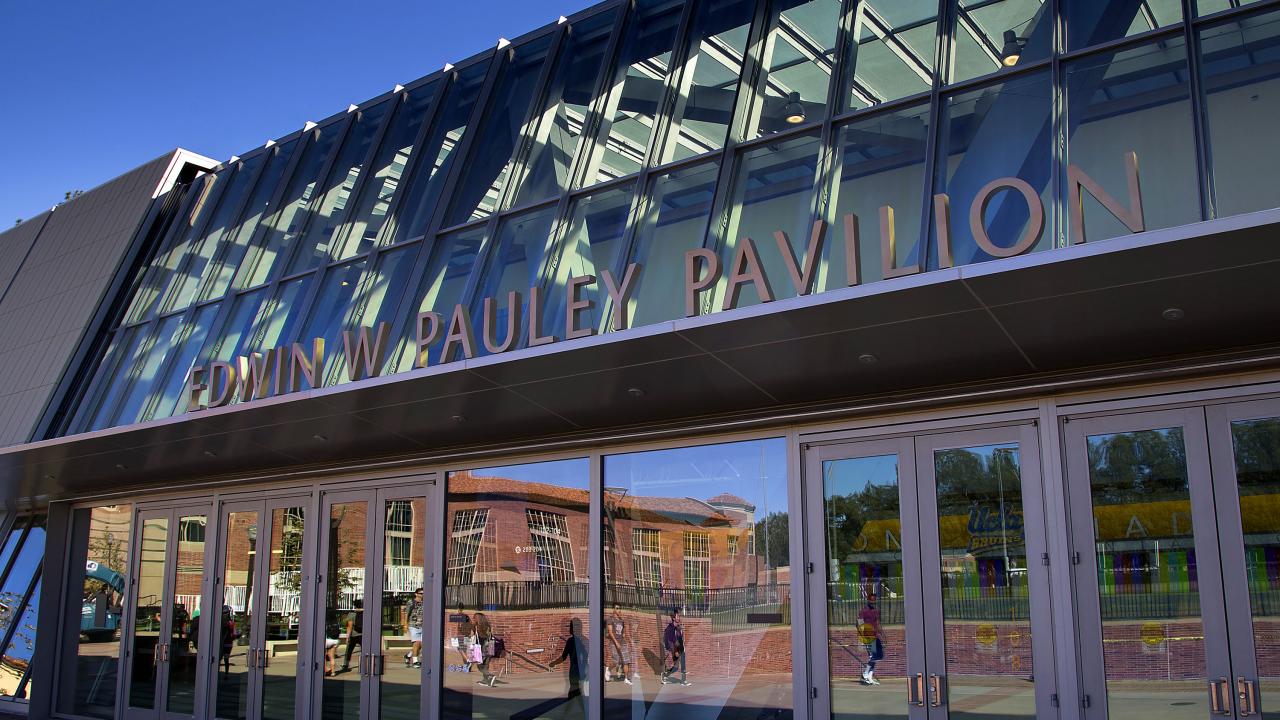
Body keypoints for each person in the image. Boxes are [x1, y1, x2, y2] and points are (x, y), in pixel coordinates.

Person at [548, 618, 587, 701]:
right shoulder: (585, 640)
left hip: (575, 671)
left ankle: (570, 709)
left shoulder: (571, 641)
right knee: (578, 692)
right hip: (583, 670)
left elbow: (563, 657)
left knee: (574, 692)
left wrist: (554, 663)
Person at [858, 589, 885, 685]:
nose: (873, 602)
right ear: (868, 600)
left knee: (878, 656)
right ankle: (865, 675)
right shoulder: (863, 611)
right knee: (872, 656)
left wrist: (882, 635)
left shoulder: (876, 611)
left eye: (875, 600)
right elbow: (860, 624)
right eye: (871, 600)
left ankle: (869, 677)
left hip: (876, 636)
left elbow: (877, 623)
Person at [661, 609, 690, 686]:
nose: (679, 617)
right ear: (674, 618)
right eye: (677, 616)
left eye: (679, 616)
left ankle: (683, 681)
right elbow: (671, 641)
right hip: (676, 650)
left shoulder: (678, 626)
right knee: (676, 667)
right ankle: (664, 675)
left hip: (681, 648)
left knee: (683, 665)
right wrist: (675, 651)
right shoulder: (670, 628)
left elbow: (680, 639)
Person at [606, 604, 633, 685]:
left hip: (623, 643)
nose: (619, 610)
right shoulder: (610, 620)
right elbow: (610, 633)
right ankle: (608, 669)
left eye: (619, 608)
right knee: (615, 661)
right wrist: (616, 643)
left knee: (626, 661)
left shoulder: (622, 620)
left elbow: (624, 633)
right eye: (617, 608)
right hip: (614, 643)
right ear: (613, 610)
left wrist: (626, 642)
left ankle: (626, 678)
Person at [402, 587, 424, 668]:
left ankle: (408, 655)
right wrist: (405, 625)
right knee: (417, 643)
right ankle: (415, 661)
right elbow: (406, 614)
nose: (422, 595)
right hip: (414, 625)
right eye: (421, 593)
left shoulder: (425, 602)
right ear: (416, 594)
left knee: (420, 645)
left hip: (423, 626)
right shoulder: (411, 602)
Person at [341, 599, 364, 673]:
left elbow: (349, 626)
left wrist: (347, 637)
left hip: (354, 635)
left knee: (349, 650)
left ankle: (345, 665)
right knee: (364, 651)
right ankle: (363, 664)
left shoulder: (352, 614)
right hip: (362, 635)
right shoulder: (365, 612)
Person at [474, 612, 494, 686]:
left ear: (478, 619)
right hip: (491, 646)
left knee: (479, 665)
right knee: (486, 665)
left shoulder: (479, 627)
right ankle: (485, 680)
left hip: (484, 647)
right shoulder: (487, 625)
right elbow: (489, 636)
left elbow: (481, 639)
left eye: (475, 618)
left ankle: (489, 675)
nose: (474, 619)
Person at [219, 605, 237, 674]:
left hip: (221, 643)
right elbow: (234, 635)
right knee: (226, 659)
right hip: (228, 643)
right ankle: (226, 674)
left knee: (219, 658)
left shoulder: (220, 623)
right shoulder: (231, 623)